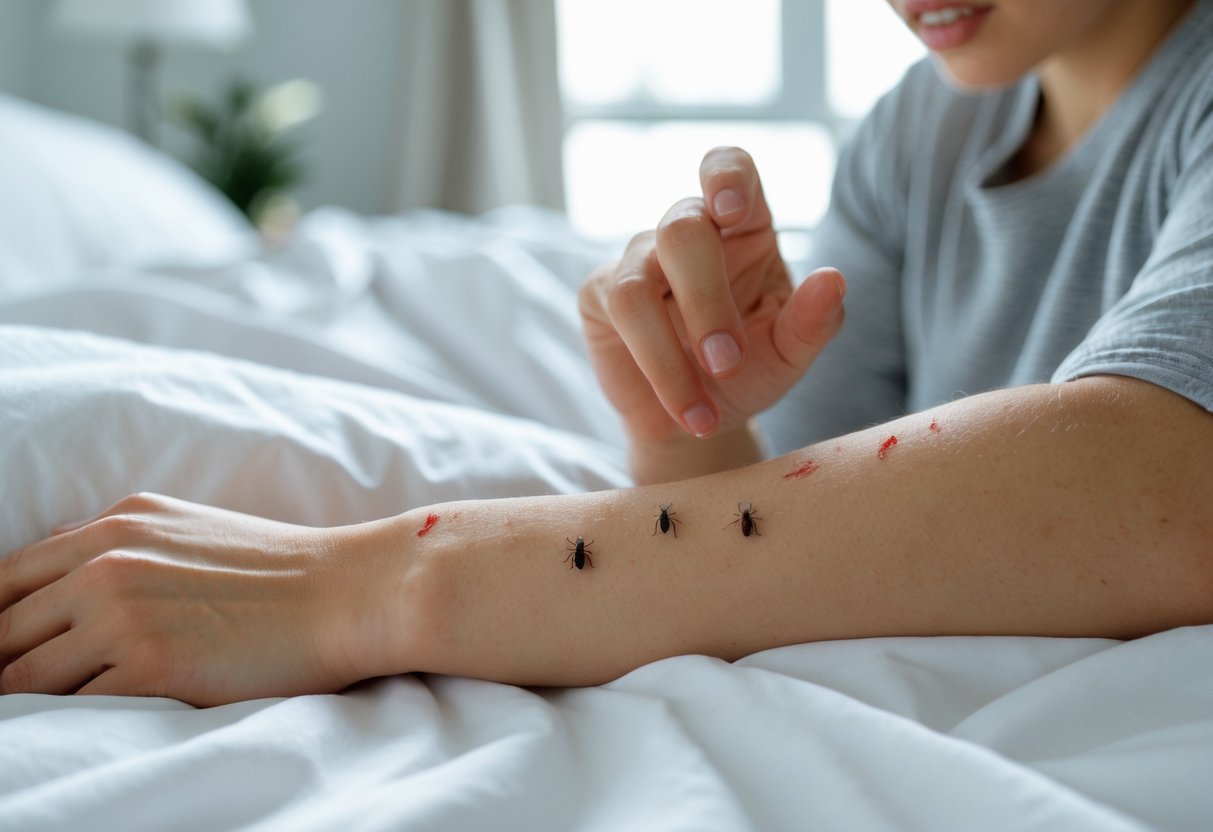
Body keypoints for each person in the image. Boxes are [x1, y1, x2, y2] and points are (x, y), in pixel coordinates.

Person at [1, 0, 1210, 707]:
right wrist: (686, 422)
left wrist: (369, 584)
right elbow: (789, 551)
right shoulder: (918, 133)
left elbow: (1167, 485)